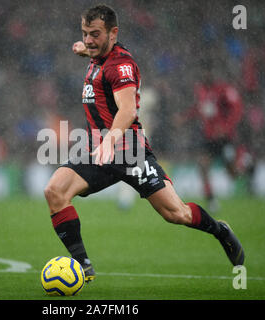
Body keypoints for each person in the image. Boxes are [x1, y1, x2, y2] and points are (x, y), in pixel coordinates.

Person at [43, 4, 244, 283]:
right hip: (99, 150)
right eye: (85, 33)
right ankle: (82, 266)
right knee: (54, 191)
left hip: (129, 152)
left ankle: (221, 231)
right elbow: (95, 59)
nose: (89, 39)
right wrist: (83, 50)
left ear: (113, 33)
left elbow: (127, 111)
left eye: (95, 34)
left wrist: (110, 141)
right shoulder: (98, 54)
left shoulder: (121, 66)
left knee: (177, 214)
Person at [174, 66, 247, 212]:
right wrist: (184, 117)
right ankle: (211, 199)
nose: (205, 75)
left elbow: (237, 109)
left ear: (213, 74)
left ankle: (246, 165)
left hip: (225, 137)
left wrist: (226, 127)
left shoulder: (224, 89)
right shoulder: (201, 90)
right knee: (203, 165)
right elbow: (198, 108)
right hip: (209, 137)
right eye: (203, 73)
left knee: (232, 172)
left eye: (208, 72)